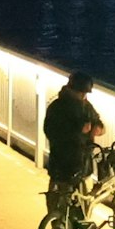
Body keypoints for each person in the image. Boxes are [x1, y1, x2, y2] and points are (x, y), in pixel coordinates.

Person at [42, 69, 106, 220]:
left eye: (85, 93)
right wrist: (79, 131)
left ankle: (74, 225)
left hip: (82, 161)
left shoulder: (85, 106)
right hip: (63, 159)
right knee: (59, 193)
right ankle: (57, 223)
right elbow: (52, 132)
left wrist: (98, 129)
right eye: (81, 92)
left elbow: (99, 124)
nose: (83, 96)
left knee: (80, 197)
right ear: (71, 89)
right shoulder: (58, 107)